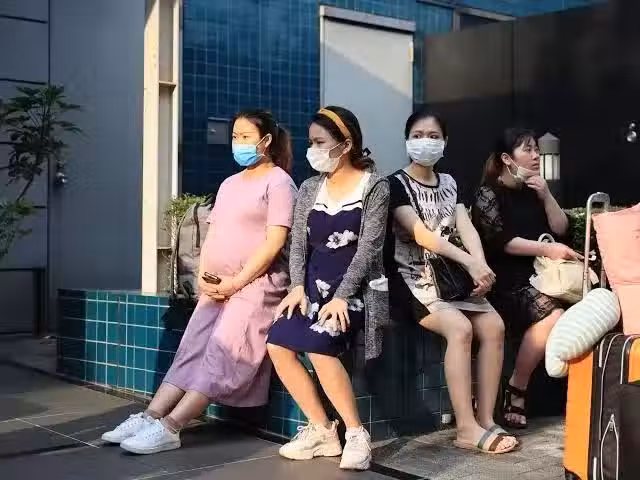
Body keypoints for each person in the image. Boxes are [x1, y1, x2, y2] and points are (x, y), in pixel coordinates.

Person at [101, 109, 297, 454]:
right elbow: (213, 234)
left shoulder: (279, 183)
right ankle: (150, 416)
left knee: (223, 354)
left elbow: (274, 243)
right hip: (218, 286)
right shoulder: (229, 184)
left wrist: (236, 282)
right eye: (235, 137)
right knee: (191, 349)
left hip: (255, 286)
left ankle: (171, 427)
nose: (238, 143)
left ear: (266, 141)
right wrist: (205, 276)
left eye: (246, 137)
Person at [385, 109, 518, 454]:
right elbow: (422, 236)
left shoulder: (450, 182)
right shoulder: (394, 185)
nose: (425, 142)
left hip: (451, 279)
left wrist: (481, 265)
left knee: (494, 327)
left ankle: (485, 418)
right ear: (406, 140)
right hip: (413, 281)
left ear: (445, 142)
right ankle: (465, 428)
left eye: (433, 136)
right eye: (417, 135)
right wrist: (471, 263)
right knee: (460, 329)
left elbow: (465, 226)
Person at [266, 106, 390, 471]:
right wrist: (296, 288)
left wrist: (341, 296)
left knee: (319, 345)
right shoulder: (310, 187)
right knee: (277, 343)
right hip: (311, 289)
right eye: (311, 142)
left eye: (320, 142)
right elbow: (298, 246)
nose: (313, 150)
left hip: (355, 292)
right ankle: (322, 430)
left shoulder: (375, 186)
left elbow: (369, 249)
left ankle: (356, 433)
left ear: (346, 144)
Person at [471, 127, 576, 429]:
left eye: (537, 150)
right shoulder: (488, 193)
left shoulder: (534, 191)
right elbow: (501, 242)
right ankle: (517, 387)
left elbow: (561, 229)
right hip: (506, 283)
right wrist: (548, 249)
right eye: (527, 150)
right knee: (554, 314)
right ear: (507, 158)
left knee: (576, 309)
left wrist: (547, 195)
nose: (536, 156)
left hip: (541, 277)